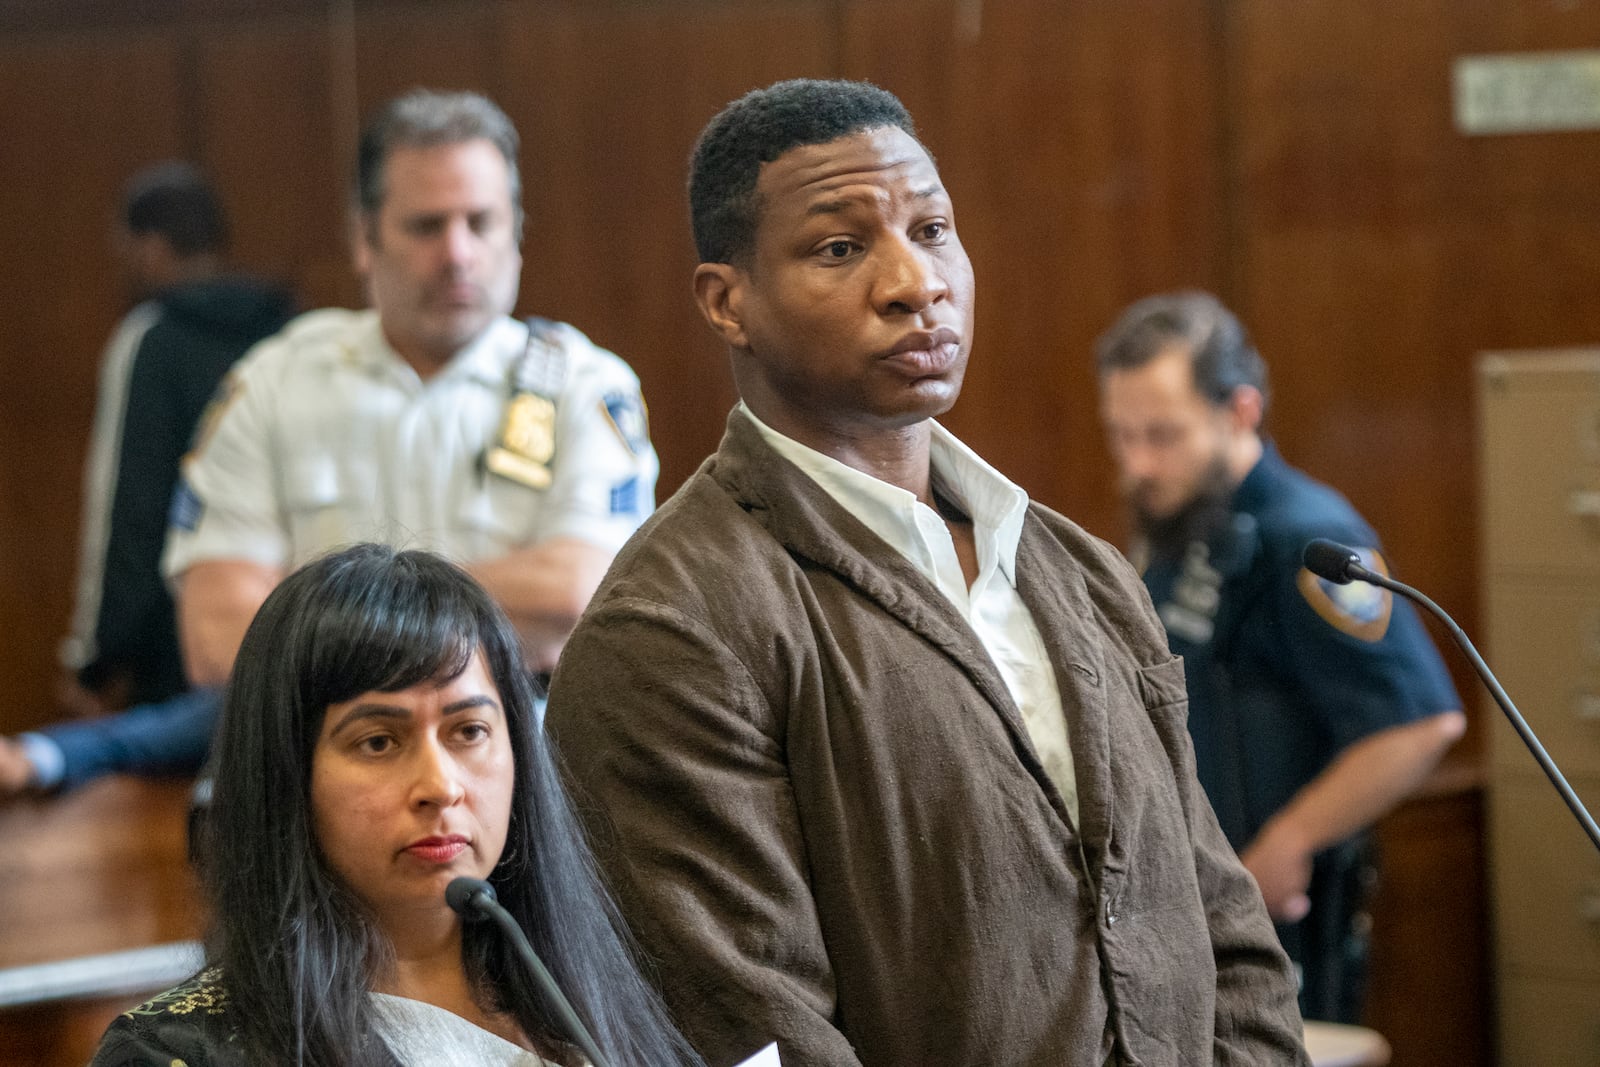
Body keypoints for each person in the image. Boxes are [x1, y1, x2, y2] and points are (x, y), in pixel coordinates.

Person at [546, 79, 1307, 1067]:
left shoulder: (1082, 571)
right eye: (839, 247)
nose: (916, 281)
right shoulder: (672, 624)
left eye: (934, 228)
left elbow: (1221, 924)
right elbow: (743, 1019)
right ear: (727, 301)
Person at [0, 89, 657, 797]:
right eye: (427, 225)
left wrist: (314, 612)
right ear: (363, 238)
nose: (459, 252)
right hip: (305, 785)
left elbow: (577, 601)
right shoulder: (274, 382)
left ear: (517, 231)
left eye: (482, 222)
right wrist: (492, 604)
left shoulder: (583, 384)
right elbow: (218, 637)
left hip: (522, 778)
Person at [91, 544, 703, 1066]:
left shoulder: (598, 993)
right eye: (378, 741)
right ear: (286, 773)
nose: (440, 786)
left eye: (468, 732)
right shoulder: (175, 1051)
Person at [1094, 289, 1466, 1022]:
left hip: (1279, 912)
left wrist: (1288, 841)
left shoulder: (1311, 540)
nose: (1137, 462)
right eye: (1122, 433)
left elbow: (1421, 723)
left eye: (1162, 435)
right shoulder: (1181, 522)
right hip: (1190, 898)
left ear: (1240, 411)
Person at [0, 164, 294, 792]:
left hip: (173, 651)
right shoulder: (292, 332)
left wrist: (93, 661)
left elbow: (124, 510)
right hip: (287, 649)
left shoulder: (151, 339)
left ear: (151, 246)